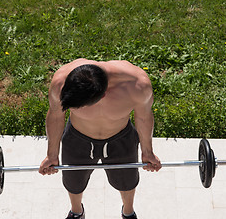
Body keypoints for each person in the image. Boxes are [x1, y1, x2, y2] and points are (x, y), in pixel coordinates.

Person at [39, 58, 162, 219]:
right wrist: (52, 155)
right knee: (73, 182)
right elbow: (56, 116)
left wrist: (147, 151)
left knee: (127, 181)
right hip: (78, 138)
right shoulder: (61, 82)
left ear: (103, 95)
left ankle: (128, 212)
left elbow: (143, 117)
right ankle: (77, 212)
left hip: (120, 139)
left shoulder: (137, 85)